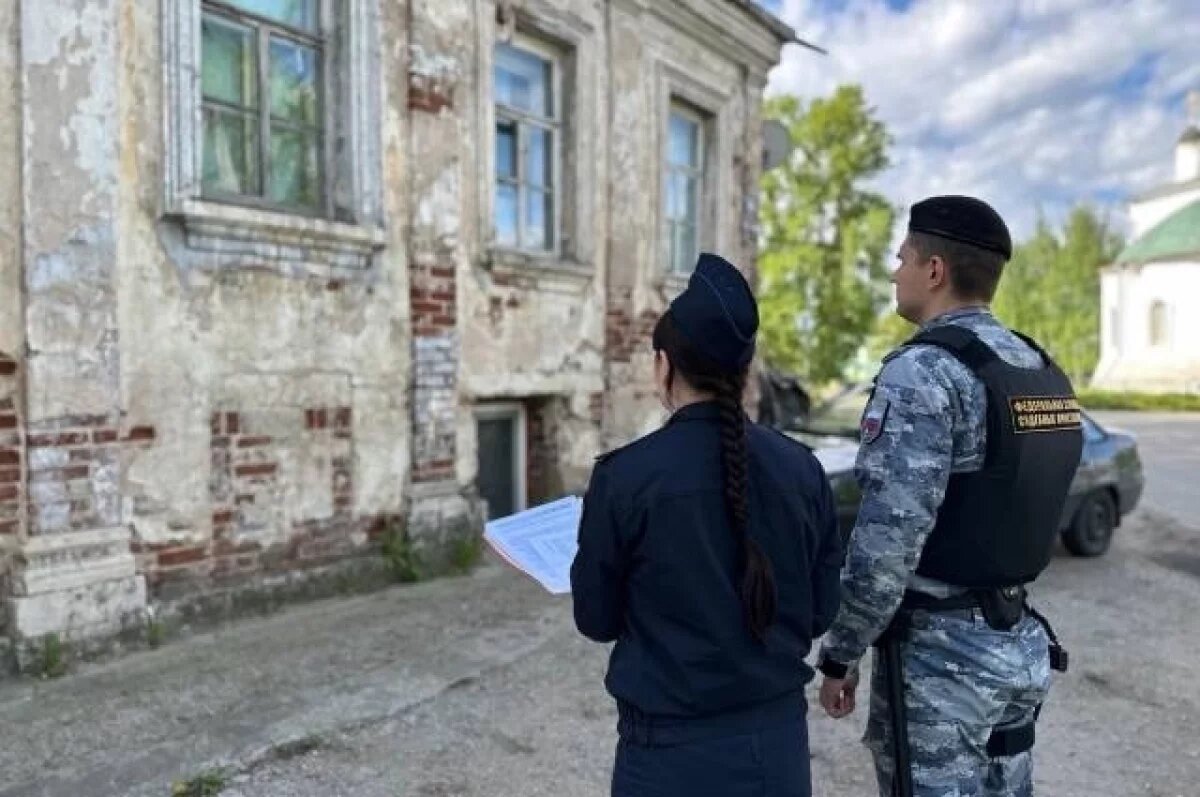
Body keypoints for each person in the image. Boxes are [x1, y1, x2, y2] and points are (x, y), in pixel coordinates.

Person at [815, 196, 1082, 797]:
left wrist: (841, 653)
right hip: (1017, 646)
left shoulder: (924, 372)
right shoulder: (1039, 367)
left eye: (902, 258)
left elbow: (888, 545)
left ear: (934, 270)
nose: (894, 273)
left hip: (942, 669)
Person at [571, 252, 844, 797]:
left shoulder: (626, 478)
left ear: (663, 366)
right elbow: (819, 612)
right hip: (776, 753)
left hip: (666, 758)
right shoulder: (803, 470)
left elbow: (596, 619)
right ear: (745, 372)